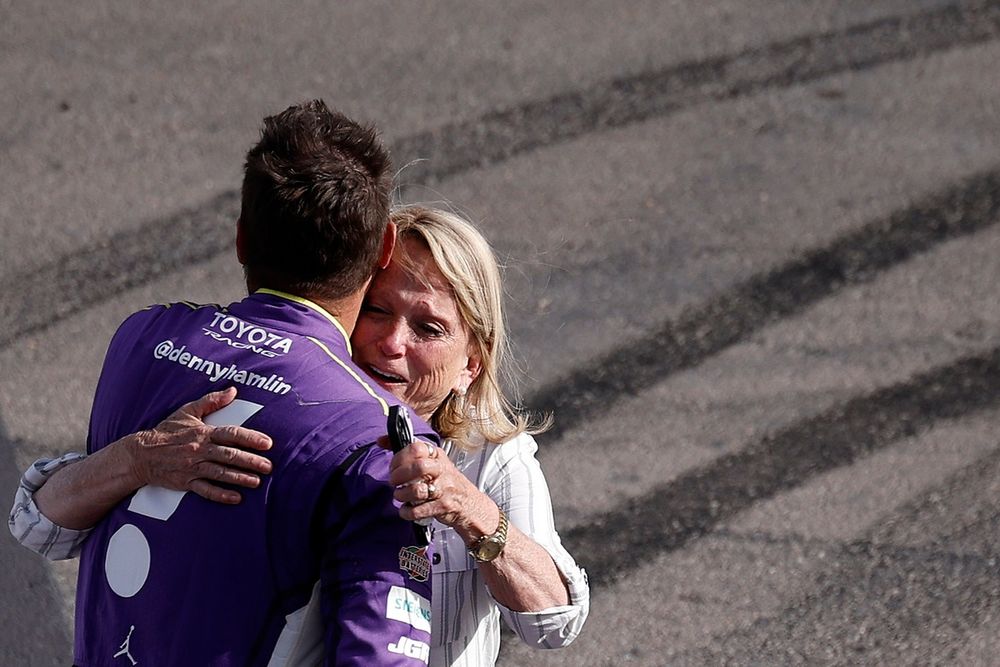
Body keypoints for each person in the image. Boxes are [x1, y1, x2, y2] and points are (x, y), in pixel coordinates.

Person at [10, 204, 589, 665]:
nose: (392, 343)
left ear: (472, 362)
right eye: (377, 311)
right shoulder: (278, 418)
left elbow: (557, 620)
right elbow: (38, 524)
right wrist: (139, 459)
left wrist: (471, 511)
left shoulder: (493, 459)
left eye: (429, 328)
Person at [10, 100, 441, 666]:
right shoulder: (383, 436)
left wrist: (136, 461)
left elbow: (37, 527)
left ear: (240, 238)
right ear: (383, 250)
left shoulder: (142, 338)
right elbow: (384, 655)